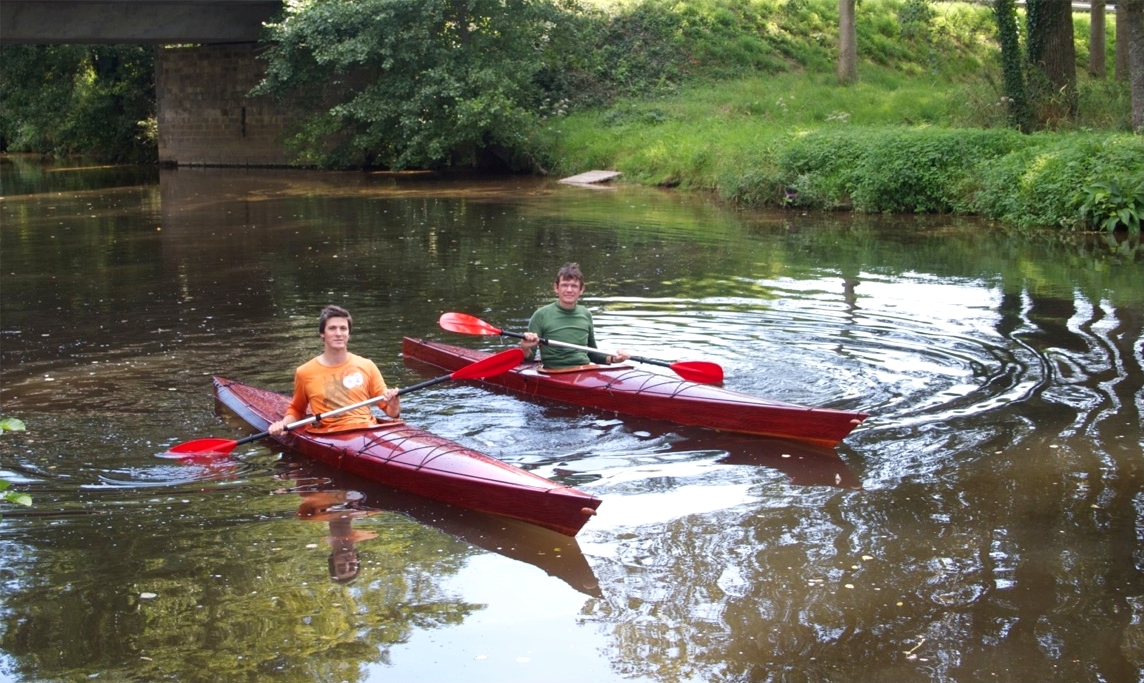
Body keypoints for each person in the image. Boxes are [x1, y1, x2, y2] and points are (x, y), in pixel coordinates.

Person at [268, 304, 399, 435]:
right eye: (332, 328)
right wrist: (283, 426)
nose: (338, 334)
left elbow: (392, 413)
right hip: (330, 435)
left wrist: (393, 403)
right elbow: (297, 409)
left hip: (367, 431)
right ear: (322, 334)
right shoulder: (304, 372)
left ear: (349, 334)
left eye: (343, 328)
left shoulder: (367, 365)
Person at [519, 262, 631, 370]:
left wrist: (614, 359)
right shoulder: (541, 315)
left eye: (574, 286)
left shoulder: (586, 314)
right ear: (556, 288)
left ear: (581, 289)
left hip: (583, 371)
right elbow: (529, 360)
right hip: (555, 372)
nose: (569, 290)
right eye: (564, 285)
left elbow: (592, 354)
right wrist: (525, 347)